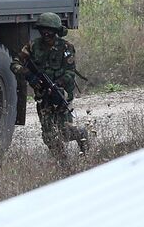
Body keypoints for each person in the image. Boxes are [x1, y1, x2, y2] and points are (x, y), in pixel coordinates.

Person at [12, 12, 89, 157]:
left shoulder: (66, 48)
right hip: (43, 96)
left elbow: (70, 73)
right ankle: (62, 162)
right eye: (43, 30)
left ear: (56, 31)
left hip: (61, 94)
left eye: (50, 30)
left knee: (65, 131)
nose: (46, 33)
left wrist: (57, 84)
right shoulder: (32, 46)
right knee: (48, 135)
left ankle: (81, 134)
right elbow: (15, 63)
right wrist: (29, 75)